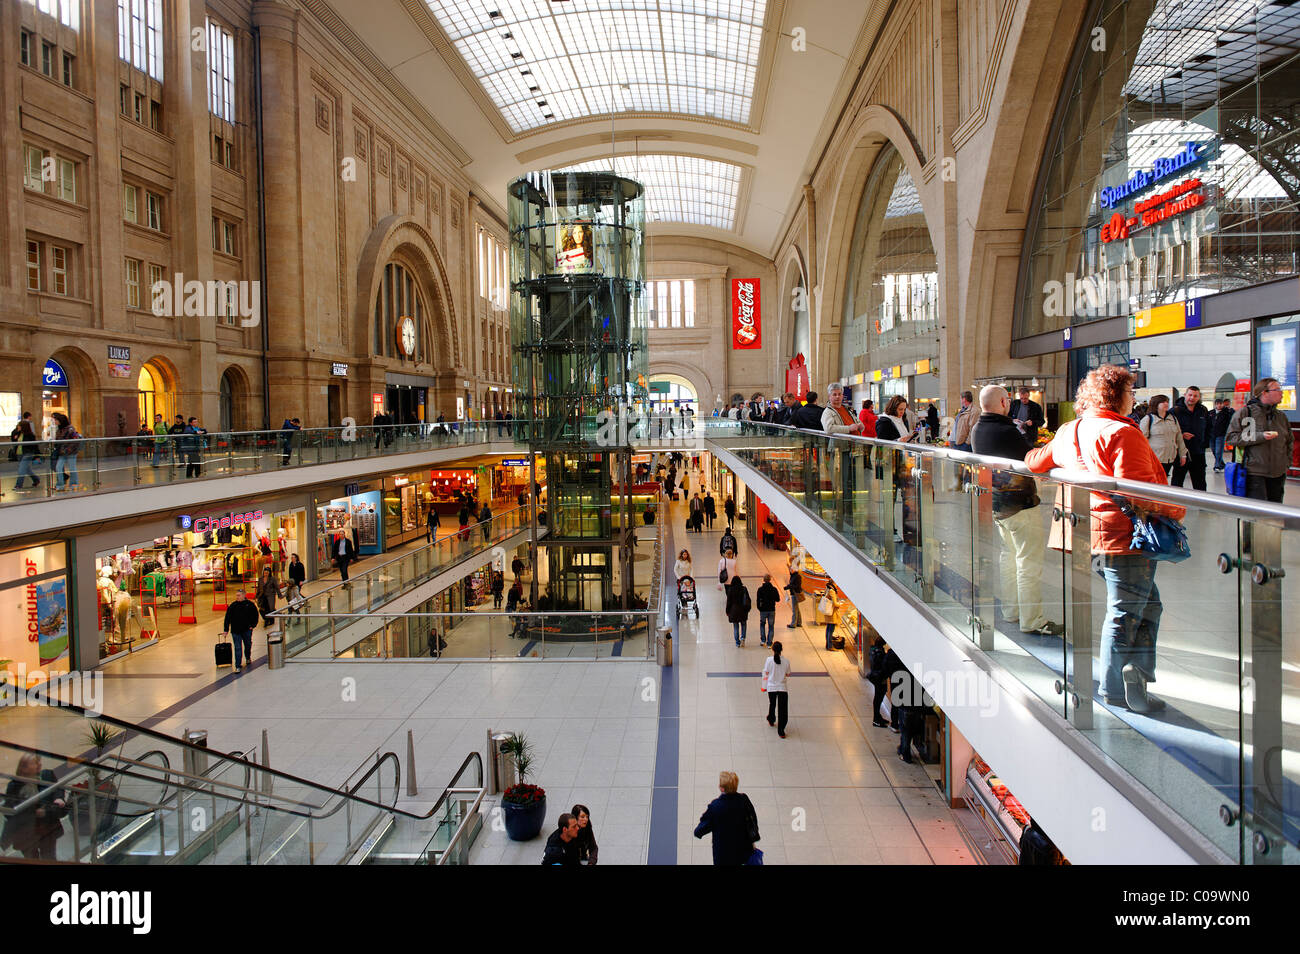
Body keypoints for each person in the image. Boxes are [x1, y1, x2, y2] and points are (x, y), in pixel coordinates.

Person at [1025, 364, 1184, 714]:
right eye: (1130, 391)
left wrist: (1066, 469)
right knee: (1124, 611)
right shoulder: (1122, 433)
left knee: (1146, 605)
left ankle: (1134, 675)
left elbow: (1033, 461)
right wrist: (1177, 510)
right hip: (1123, 538)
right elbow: (1139, 493)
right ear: (1116, 395)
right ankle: (1116, 686)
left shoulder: (1072, 429)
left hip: (1085, 532)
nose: (1133, 397)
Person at [971, 385, 1063, 636]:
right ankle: (1032, 620)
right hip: (1020, 505)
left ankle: (1011, 611)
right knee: (1028, 563)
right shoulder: (1006, 430)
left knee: (1008, 557)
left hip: (997, 504)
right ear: (1003, 401)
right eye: (1008, 399)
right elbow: (1032, 460)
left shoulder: (978, 428)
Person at [1225, 377, 1294, 504]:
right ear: (1264, 393)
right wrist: (1261, 436)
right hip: (1255, 474)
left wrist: (1286, 463)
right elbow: (1232, 438)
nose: (1281, 392)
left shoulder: (1281, 416)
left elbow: (1289, 441)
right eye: (1277, 389)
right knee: (1258, 517)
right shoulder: (1246, 413)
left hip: (1278, 474)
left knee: (1275, 512)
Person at [1, 754, 66, 860]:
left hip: (47, 828)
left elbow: (58, 789)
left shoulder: (47, 775)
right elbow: (10, 810)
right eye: (35, 762)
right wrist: (31, 814)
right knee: (32, 859)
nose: (39, 764)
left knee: (49, 858)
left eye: (39, 761)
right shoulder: (15, 786)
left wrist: (59, 798)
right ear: (24, 768)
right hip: (26, 832)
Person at [693, 771, 760, 866]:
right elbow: (753, 819)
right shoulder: (744, 799)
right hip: (744, 849)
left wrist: (698, 832)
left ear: (722, 788)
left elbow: (702, 828)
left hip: (724, 854)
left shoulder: (715, 807)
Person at [1170, 385, 1210, 491]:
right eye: (1190, 395)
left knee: (1200, 481)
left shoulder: (1203, 410)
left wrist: (1204, 443)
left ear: (1199, 397)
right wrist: (1181, 435)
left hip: (1198, 451)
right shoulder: (1174, 411)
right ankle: (1175, 504)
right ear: (1185, 395)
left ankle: (1202, 504)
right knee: (1178, 480)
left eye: (1195, 396)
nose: (1192, 398)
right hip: (1181, 452)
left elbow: (1209, 428)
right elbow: (1169, 430)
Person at [1138, 395, 1187, 478]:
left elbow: (1179, 438)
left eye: (1167, 401)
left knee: (1164, 480)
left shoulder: (1173, 418)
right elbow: (1141, 441)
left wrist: (1183, 455)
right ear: (1155, 404)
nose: (1166, 403)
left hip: (1170, 458)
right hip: (1155, 459)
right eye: (1163, 402)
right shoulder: (1148, 419)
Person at [223, 589, 260, 671]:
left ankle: (248, 657)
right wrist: (226, 630)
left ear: (244, 595)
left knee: (248, 644)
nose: (237, 597)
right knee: (238, 647)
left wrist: (253, 625)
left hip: (247, 629)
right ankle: (238, 665)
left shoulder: (250, 605)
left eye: (239, 595)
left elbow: (255, 615)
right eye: (236, 595)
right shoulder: (233, 606)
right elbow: (227, 618)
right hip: (236, 631)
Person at [865, 635, 897, 727]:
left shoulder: (873, 650)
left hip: (876, 677)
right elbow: (884, 666)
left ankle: (878, 717)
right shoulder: (880, 653)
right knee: (878, 698)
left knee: (878, 698)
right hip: (880, 679)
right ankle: (876, 719)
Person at [763, 640, 792, 737]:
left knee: (772, 704)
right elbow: (788, 674)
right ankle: (781, 730)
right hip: (782, 688)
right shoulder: (786, 661)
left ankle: (771, 719)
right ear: (781, 650)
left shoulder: (769, 660)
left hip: (771, 687)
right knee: (783, 709)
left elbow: (766, 672)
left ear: (773, 649)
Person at [10, 411, 42, 490]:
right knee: (26, 469)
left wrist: (37, 455)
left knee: (21, 469)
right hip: (19, 454)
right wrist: (16, 431)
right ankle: (36, 479)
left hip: (28, 453)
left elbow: (35, 445)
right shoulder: (18, 433)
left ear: (23, 427)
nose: (18, 427)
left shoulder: (30, 435)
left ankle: (18, 485)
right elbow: (13, 438)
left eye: (19, 426)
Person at [50, 412, 81, 491]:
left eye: (56, 420)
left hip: (71, 452)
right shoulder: (59, 429)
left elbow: (76, 439)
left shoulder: (70, 429)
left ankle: (74, 484)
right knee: (58, 467)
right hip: (62, 452)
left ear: (61, 421)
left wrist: (69, 448)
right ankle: (60, 484)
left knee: (72, 468)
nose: (55, 422)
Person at [753, 573, 780, 647]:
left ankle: (763, 640)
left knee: (762, 625)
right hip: (771, 610)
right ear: (770, 580)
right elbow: (778, 599)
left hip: (763, 610)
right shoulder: (774, 589)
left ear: (764, 580)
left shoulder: (760, 589)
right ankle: (769, 642)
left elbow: (758, 600)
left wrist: (759, 608)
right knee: (771, 626)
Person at [725, 574, 750, 647]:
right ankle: (743, 638)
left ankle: (737, 642)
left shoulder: (730, 590)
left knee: (736, 627)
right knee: (744, 624)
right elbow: (748, 599)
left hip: (734, 610)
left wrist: (727, 611)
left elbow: (728, 602)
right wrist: (748, 608)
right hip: (743, 610)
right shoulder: (744, 589)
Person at [1211, 398, 1234, 472]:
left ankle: (1217, 466)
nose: (1219, 405)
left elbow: (1232, 415)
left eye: (1220, 404)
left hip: (1221, 435)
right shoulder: (1211, 413)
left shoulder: (1226, 412)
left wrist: (1228, 409)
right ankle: (1222, 464)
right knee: (1214, 450)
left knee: (1218, 451)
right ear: (1215, 404)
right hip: (1211, 435)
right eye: (1217, 404)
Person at [818, 581, 841, 651]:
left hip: (828, 612)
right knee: (831, 629)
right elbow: (835, 603)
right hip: (832, 613)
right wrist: (840, 604)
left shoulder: (827, 588)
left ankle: (827, 644)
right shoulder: (832, 591)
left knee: (828, 628)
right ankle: (830, 646)